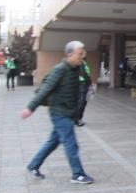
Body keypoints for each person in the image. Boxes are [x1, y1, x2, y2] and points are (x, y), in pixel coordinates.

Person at [20, 41, 94, 184]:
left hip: (68, 112)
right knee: (71, 143)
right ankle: (77, 174)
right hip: (60, 113)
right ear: (69, 54)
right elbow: (45, 89)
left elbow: (82, 82)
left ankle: (33, 165)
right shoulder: (60, 69)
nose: (82, 56)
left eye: (84, 53)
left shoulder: (77, 68)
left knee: (53, 142)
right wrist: (30, 108)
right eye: (80, 53)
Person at [73, 56, 94, 127]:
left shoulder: (83, 62)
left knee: (82, 101)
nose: (84, 53)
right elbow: (84, 74)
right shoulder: (81, 63)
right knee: (82, 102)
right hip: (82, 84)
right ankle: (77, 119)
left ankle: (78, 119)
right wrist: (90, 83)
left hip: (83, 84)